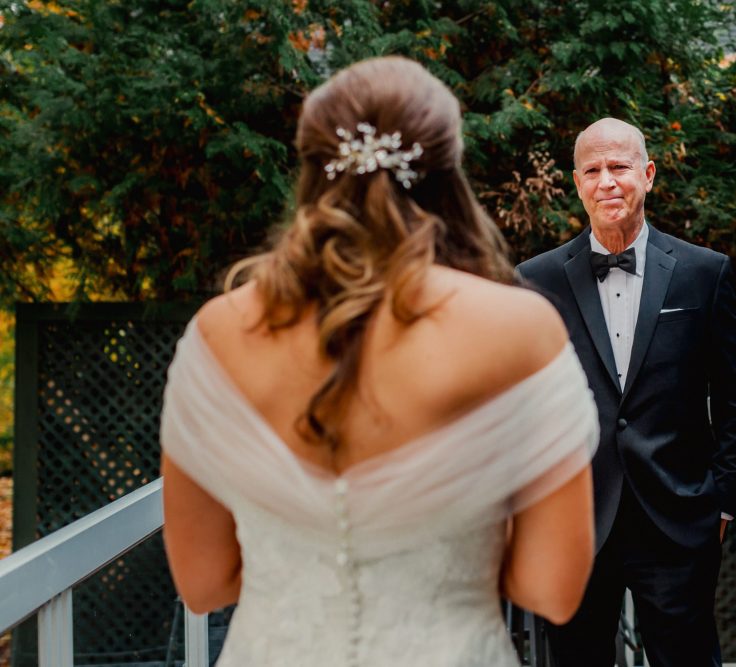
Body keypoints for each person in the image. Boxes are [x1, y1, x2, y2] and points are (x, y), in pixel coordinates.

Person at [159, 56, 599, 667]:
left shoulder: (217, 333)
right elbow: (551, 590)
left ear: (311, 172)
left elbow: (203, 584)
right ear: (449, 173)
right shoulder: (520, 329)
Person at [516, 117, 736, 667]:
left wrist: (723, 503)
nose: (608, 181)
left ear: (647, 175)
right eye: (593, 170)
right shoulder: (535, 280)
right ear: (577, 183)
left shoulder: (704, 273)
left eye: (620, 167)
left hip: (678, 522)